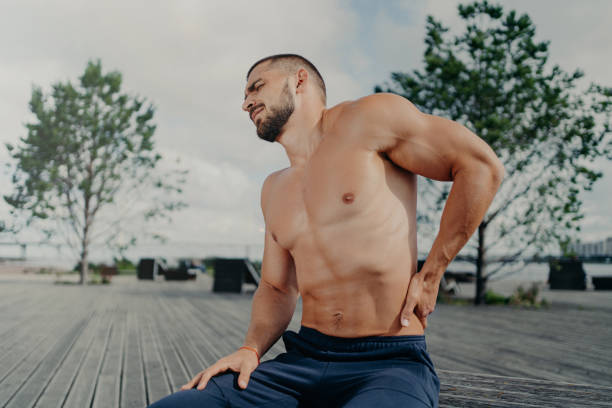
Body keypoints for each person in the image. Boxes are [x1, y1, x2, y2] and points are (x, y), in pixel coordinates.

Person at [149, 54, 504, 408]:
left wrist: (432, 272)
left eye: (257, 87)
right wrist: (250, 349)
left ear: (299, 80)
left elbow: (480, 167)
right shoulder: (274, 188)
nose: (246, 103)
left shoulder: (368, 119)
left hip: (388, 363)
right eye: (243, 96)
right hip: (303, 361)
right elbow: (276, 286)